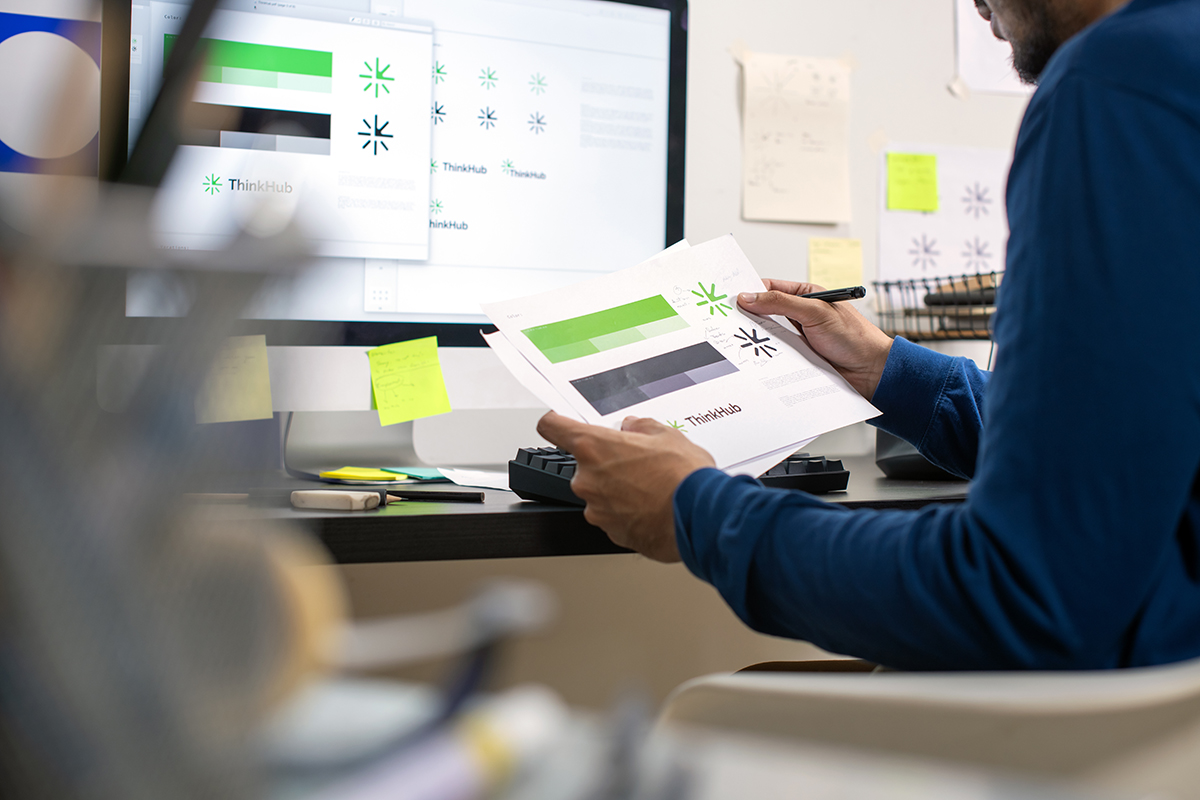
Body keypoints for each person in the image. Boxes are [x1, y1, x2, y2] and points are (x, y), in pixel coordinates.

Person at [537, 0, 1200, 670]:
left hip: (1135, 705)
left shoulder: (1116, 84)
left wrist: (696, 512)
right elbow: (1122, 448)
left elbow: (1021, 591)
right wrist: (888, 371)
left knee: (700, 708)